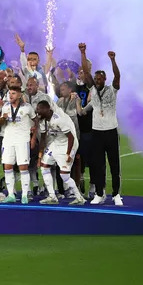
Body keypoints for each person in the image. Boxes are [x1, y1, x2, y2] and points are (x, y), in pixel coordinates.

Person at [79, 44, 122, 205]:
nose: (97, 81)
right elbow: (86, 72)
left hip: (111, 131)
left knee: (114, 164)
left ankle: (116, 194)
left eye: (99, 79)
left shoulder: (112, 90)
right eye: (95, 79)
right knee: (97, 165)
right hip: (96, 132)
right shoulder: (92, 89)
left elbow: (117, 76)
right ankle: (99, 193)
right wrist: (83, 53)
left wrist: (113, 60)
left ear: (105, 79)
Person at [36, 100, 86, 206]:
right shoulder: (43, 121)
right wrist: (40, 156)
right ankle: (52, 196)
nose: (37, 112)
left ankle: (79, 198)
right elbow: (43, 139)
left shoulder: (59, 119)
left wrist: (69, 154)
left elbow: (71, 138)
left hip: (68, 144)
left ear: (47, 109)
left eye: (39, 109)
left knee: (64, 175)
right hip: (56, 143)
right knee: (44, 167)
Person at [0, 86, 36, 204]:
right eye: (10, 93)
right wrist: (3, 118)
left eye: (13, 93)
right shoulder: (5, 107)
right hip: (8, 139)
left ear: (19, 95)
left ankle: (25, 195)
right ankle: (11, 194)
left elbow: (36, 121)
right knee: (7, 166)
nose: (10, 96)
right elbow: (0, 122)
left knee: (23, 167)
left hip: (22, 139)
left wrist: (33, 137)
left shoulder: (27, 107)